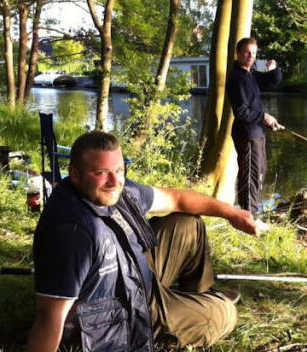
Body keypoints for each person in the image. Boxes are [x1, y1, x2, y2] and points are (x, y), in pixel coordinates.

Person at [26, 131, 258, 352]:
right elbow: (50, 316)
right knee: (226, 314)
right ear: (74, 174)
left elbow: (177, 199)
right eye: (101, 173)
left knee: (188, 224)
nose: (114, 181)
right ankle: (204, 309)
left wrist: (233, 214)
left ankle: (197, 298)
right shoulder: (72, 232)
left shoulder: (121, 191)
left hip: (133, 276)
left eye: (119, 170)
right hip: (124, 314)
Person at [226, 37, 283, 215]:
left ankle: (251, 213)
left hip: (256, 133)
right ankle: (249, 216)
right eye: (247, 52)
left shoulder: (250, 75)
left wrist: (274, 69)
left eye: (254, 53)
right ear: (238, 54)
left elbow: (273, 81)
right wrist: (264, 116)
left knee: (259, 172)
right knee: (250, 175)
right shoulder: (236, 79)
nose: (251, 55)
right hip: (247, 134)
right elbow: (241, 112)